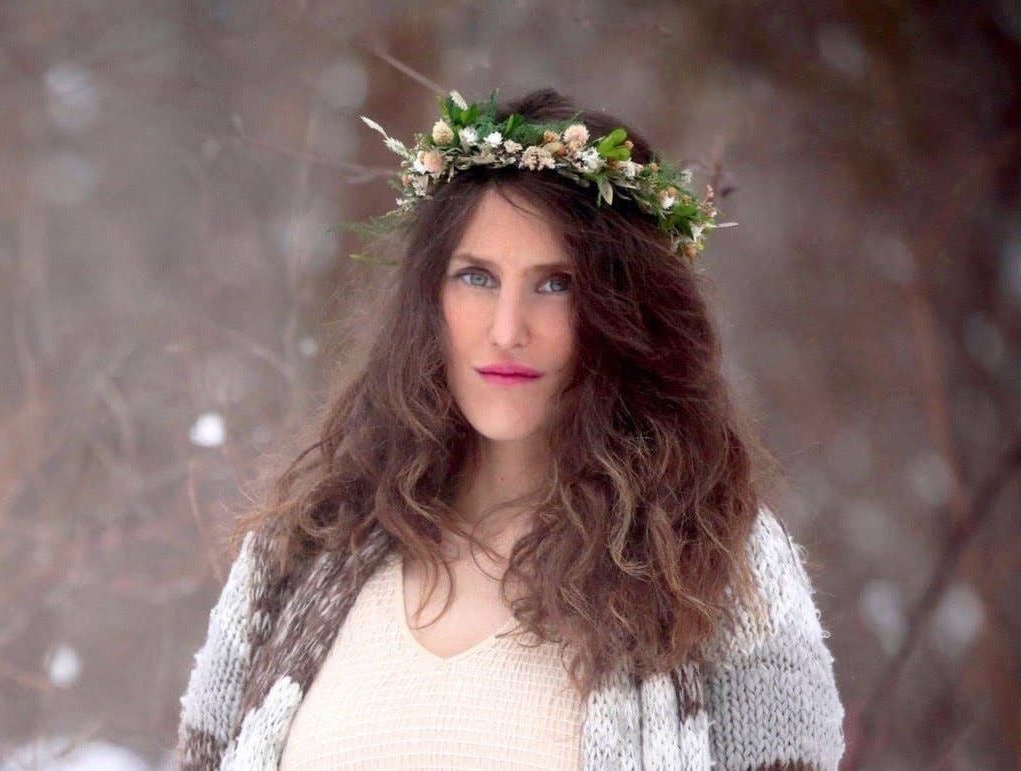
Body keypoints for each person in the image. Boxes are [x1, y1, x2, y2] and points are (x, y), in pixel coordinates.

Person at [174, 87, 846, 771]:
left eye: (556, 284)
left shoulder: (715, 564)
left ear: (625, 309)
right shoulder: (302, 552)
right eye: (477, 277)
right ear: (428, 300)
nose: (507, 329)